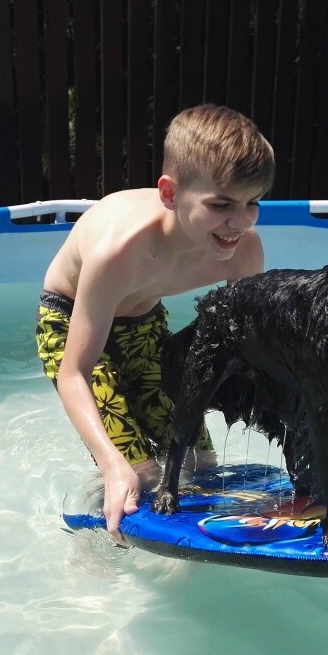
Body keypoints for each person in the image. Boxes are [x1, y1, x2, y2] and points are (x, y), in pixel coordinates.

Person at [35, 104, 273, 542]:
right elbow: (74, 373)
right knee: (138, 475)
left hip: (144, 324)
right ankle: (95, 548)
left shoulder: (243, 251)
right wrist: (113, 465)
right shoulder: (119, 252)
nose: (239, 222)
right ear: (169, 194)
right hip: (70, 320)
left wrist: (307, 444)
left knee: (200, 466)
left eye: (252, 202)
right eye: (220, 204)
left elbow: (261, 358)